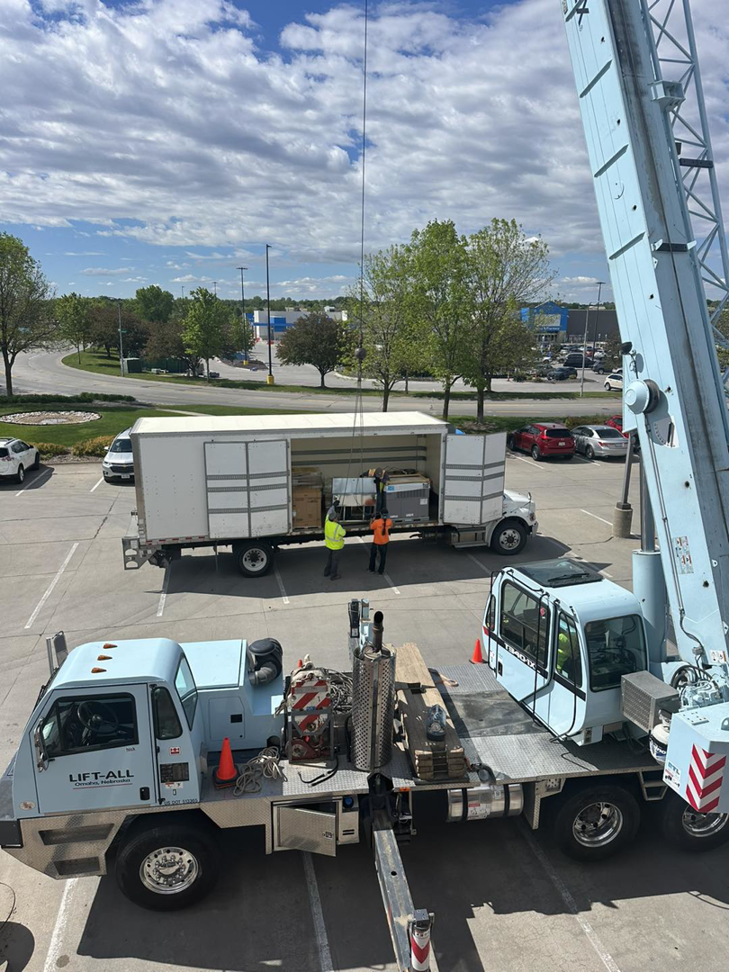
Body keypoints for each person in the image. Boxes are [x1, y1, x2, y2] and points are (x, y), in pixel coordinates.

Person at [368, 508, 393, 575]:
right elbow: (390, 525)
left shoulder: (376, 522)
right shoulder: (389, 521)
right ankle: (380, 571)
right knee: (383, 557)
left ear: (381, 514)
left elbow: (371, 527)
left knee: (373, 556)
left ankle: (371, 569)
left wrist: (371, 520)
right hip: (385, 542)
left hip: (376, 542)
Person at [324, 508, 346, 580]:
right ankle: (333, 575)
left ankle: (326, 572)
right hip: (336, 547)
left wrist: (333, 506)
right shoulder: (338, 527)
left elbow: (328, 514)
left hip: (328, 545)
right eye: (336, 518)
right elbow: (344, 533)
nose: (337, 518)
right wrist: (339, 525)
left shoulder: (327, 522)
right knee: (335, 562)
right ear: (334, 519)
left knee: (329, 560)